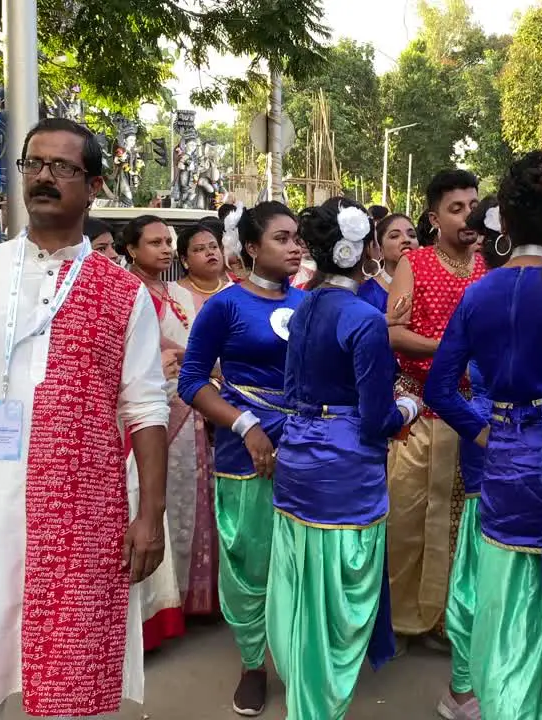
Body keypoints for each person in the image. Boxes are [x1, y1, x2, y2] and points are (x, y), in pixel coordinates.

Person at [0, 117, 170, 719]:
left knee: (71, 678)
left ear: (93, 185)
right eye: (34, 164)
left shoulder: (122, 294)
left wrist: (151, 513)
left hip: (82, 511)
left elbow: (146, 408)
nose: (45, 177)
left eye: (64, 167)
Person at [425, 155, 542, 720]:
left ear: (505, 226)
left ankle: (503, 697)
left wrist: (484, 436)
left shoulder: (478, 293)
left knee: (505, 592)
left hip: (502, 454)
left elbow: (441, 388)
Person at [267, 199, 421, 719]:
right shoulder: (364, 319)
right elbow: (378, 418)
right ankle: (319, 704)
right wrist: (410, 405)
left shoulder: (303, 304)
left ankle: (302, 690)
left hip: (297, 459)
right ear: (359, 251)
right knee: (340, 602)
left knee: (302, 589)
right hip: (347, 472)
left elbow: (291, 390)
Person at [178, 201, 306, 715]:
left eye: (298, 237)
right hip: (244, 454)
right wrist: (245, 424)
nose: (295, 246)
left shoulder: (310, 304)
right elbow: (191, 381)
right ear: (251, 248)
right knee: (250, 564)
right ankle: (253, 665)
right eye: (282, 238)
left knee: (301, 565)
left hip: (305, 453)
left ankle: (300, 662)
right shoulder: (224, 306)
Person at [386, 169, 486, 648]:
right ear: (434, 217)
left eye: (473, 205)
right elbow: (394, 332)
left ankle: (449, 621)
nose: (469, 216)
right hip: (419, 408)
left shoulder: (490, 267)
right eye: (456, 208)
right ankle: (404, 619)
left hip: (473, 416)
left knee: (459, 523)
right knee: (408, 518)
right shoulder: (416, 263)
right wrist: (451, 347)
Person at [125, 215, 214, 640]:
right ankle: (149, 618)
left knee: (190, 500)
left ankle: (187, 596)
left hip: (188, 407)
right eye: (154, 242)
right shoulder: (129, 292)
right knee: (153, 504)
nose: (164, 248)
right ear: (131, 250)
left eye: (168, 241)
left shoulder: (172, 291)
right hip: (152, 412)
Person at [360, 213, 418, 313]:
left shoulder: (433, 284)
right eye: (395, 236)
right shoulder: (367, 293)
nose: (406, 240)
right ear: (380, 249)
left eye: (412, 235)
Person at [177, 218, 232, 311]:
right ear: (184, 261)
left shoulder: (235, 292)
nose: (210, 252)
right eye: (200, 249)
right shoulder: (170, 294)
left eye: (214, 247)